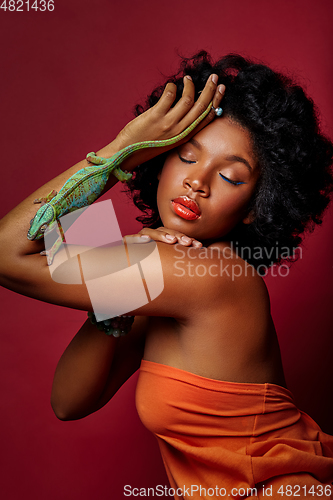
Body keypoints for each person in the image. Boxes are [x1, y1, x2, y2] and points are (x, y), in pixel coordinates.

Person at [0, 51, 333, 498]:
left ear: (257, 207)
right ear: (163, 162)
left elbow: (7, 254)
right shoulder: (160, 276)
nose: (198, 182)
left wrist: (121, 150)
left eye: (231, 178)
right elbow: (70, 402)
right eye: (186, 156)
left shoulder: (209, 274)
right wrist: (122, 275)